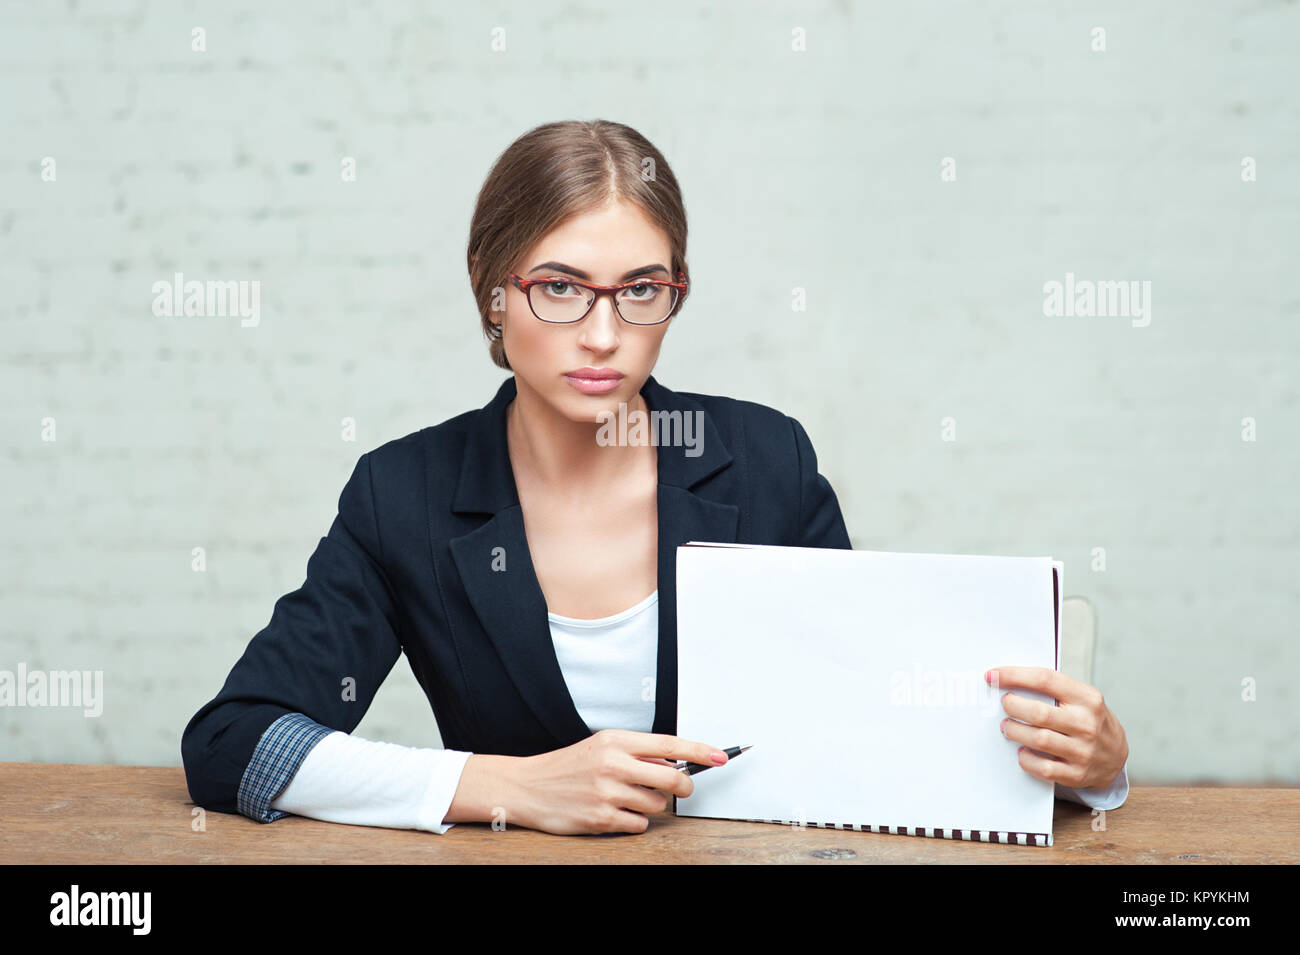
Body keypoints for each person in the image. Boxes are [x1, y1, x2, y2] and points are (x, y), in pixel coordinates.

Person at [182, 119, 1129, 837]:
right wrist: (509, 785)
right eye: (560, 286)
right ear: (491, 287)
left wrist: (1093, 771)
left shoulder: (765, 463)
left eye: (641, 289)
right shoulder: (406, 494)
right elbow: (234, 745)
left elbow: (865, 728)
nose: (604, 334)